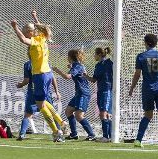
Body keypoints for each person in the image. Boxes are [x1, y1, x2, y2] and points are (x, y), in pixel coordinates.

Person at [11, 10, 64, 142]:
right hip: (48, 73)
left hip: (39, 75)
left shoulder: (35, 41)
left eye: (25, 32)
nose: (24, 35)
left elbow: (23, 40)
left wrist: (14, 27)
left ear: (30, 32)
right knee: (44, 101)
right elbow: (40, 27)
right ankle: (61, 122)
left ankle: (56, 131)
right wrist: (35, 17)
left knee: (41, 105)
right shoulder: (43, 37)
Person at [129, 34, 158, 149]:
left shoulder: (141, 56)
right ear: (156, 43)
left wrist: (132, 87)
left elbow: (137, 74)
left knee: (148, 115)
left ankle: (138, 140)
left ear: (146, 42)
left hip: (147, 89)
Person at [16, 56, 67, 140]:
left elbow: (26, 80)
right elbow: (52, 77)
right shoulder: (46, 63)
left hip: (33, 92)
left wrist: (20, 84)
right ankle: (60, 128)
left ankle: (22, 134)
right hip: (46, 92)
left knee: (28, 114)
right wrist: (56, 91)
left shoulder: (28, 64)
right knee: (51, 111)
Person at [53, 49, 96, 141]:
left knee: (79, 115)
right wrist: (71, 67)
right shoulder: (77, 65)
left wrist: (57, 70)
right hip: (79, 93)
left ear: (70, 57)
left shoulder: (77, 66)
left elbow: (67, 77)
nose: (67, 58)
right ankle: (74, 134)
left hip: (83, 93)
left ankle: (91, 134)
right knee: (68, 111)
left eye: (67, 56)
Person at [84, 47, 113, 142]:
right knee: (104, 114)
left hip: (107, 90)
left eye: (95, 54)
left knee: (104, 113)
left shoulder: (109, 63)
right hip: (100, 91)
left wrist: (85, 76)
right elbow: (94, 80)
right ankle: (109, 136)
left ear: (100, 54)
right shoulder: (98, 65)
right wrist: (85, 76)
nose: (94, 56)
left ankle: (107, 136)